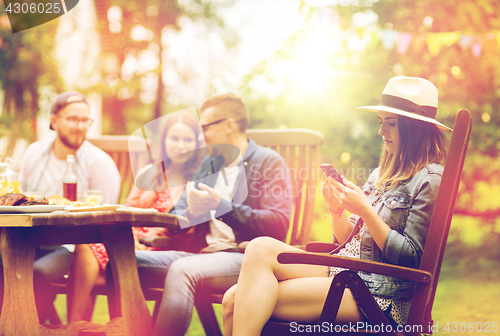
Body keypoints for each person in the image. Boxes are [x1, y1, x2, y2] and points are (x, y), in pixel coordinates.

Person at [221, 76, 452, 335]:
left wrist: (365, 209)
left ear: (415, 127)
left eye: (391, 123)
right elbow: (348, 240)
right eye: (380, 122)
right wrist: (337, 209)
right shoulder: (381, 174)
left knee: (237, 300)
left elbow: (412, 261)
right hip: (348, 267)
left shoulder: (430, 180)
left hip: (379, 292)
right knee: (259, 248)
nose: (381, 131)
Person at [131, 92, 293, 336]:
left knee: (181, 270)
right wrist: (188, 214)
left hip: (245, 258)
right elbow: (179, 214)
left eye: (205, 127)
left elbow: (278, 225)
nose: (201, 134)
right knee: (125, 261)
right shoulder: (209, 164)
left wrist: (221, 207)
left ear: (229, 125)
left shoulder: (267, 162)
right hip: (200, 255)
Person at [66, 110, 204, 322]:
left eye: (187, 140)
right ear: (164, 141)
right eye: (174, 138)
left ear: (196, 144)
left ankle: (85, 324)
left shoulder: (197, 179)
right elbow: (128, 208)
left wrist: (142, 241)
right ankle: (76, 325)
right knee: (86, 245)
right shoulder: (151, 171)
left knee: (92, 257)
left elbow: (184, 225)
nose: (180, 145)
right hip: (130, 240)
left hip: (162, 245)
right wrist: (129, 237)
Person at [17, 91, 121, 322]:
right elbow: (20, 200)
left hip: (73, 247)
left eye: (85, 121)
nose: (80, 126)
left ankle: (42, 326)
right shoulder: (33, 154)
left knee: (37, 275)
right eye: (73, 119)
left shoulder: (100, 164)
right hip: (26, 240)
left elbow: (103, 223)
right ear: (54, 121)